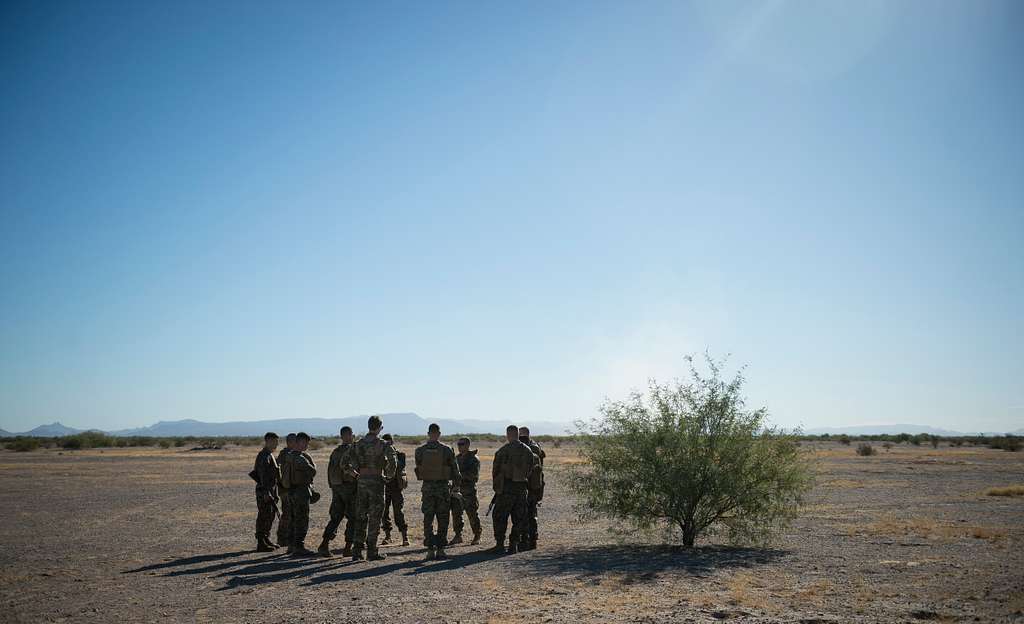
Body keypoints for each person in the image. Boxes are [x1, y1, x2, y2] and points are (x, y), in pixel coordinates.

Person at [344, 415, 397, 561]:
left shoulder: (357, 444)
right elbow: (393, 462)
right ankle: (372, 551)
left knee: (361, 516)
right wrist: (389, 476)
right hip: (376, 482)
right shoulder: (383, 444)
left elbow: (344, 463)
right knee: (375, 517)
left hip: (361, 482)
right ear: (380, 427)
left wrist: (355, 475)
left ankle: (357, 551)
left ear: (368, 426)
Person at [414, 423, 461, 560]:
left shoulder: (420, 450)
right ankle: (440, 549)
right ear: (439, 433)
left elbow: (419, 468)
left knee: (428, 519)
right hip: (442, 490)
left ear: (428, 433)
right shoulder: (447, 450)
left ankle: (430, 549)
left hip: (427, 489)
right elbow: (455, 470)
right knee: (443, 519)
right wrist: (456, 486)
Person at [491, 424, 538, 554]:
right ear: (518, 434)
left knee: (500, 516)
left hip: (506, 488)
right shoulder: (528, 451)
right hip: (521, 487)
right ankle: (514, 544)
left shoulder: (502, 451)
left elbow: (495, 471)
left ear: (507, 434)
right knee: (519, 518)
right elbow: (530, 471)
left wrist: (499, 486)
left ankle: (500, 544)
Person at [318, 426, 358, 557]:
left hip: (337, 488)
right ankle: (347, 548)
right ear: (349, 435)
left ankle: (324, 544)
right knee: (353, 517)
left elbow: (329, 470)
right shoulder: (352, 451)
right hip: (349, 487)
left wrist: (333, 486)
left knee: (335, 517)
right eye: (351, 434)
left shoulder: (335, 451)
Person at [288, 432, 318, 556]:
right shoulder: (300, 458)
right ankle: (299, 546)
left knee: (293, 518)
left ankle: (291, 545)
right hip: (301, 491)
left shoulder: (288, 456)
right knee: (302, 519)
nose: (306, 445)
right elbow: (312, 471)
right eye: (305, 442)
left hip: (291, 490)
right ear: (299, 442)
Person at [449, 437, 482, 546]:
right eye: (458, 444)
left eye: (462, 444)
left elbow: (474, 476)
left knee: (472, 514)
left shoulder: (474, 459)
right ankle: (458, 535)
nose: (459, 446)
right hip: (457, 490)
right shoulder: (456, 458)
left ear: (468, 445)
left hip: (468, 491)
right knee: (456, 514)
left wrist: (460, 475)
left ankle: (477, 535)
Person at [251, 432, 280, 552]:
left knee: (270, 515)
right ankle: (260, 542)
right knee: (263, 515)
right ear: (268, 441)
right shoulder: (264, 456)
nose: (276, 444)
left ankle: (266, 539)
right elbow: (262, 476)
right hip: (265, 491)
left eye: (277, 442)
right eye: (274, 442)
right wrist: (266, 492)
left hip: (271, 490)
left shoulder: (269, 455)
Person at [380, 433, 410, 547]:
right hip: (384, 487)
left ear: (393, 442)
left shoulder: (400, 455)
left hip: (396, 488)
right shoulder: (380, 456)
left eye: (390, 442)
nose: (388, 444)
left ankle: (404, 536)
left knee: (399, 512)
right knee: (384, 513)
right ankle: (388, 536)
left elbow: (399, 466)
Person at [518, 426, 545, 550]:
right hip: (535, 484)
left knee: (528, 511)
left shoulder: (531, 449)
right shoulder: (534, 447)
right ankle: (531, 537)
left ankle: (529, 538)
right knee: (530, 511)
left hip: (531, 484)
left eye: (521, 435)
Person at [276, 433, 297, 550]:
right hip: (286, 489)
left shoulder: (289, 454)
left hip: (289, 488)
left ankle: (288, 538)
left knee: (291, 513)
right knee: (287, 514)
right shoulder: (284, 454)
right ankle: (283, 538)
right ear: (290, 442)